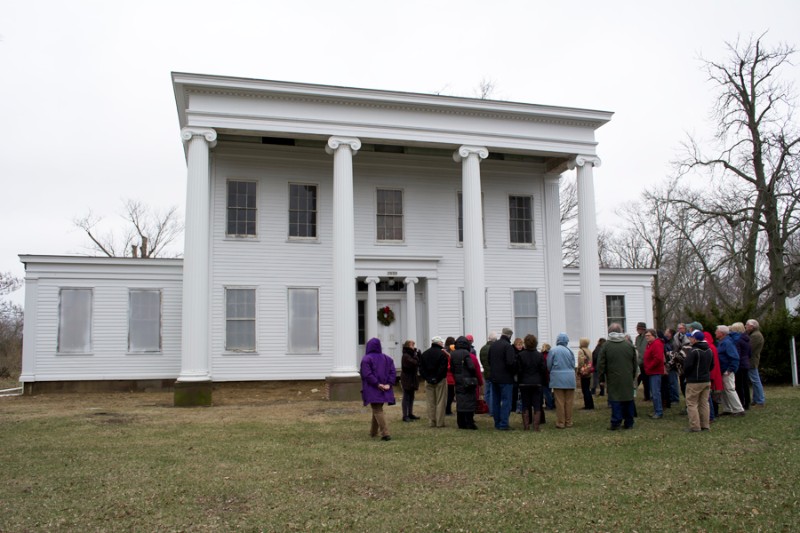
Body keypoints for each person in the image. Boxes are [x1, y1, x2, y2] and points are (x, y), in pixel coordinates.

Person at [597, 323, 638, 430]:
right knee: (628, 399)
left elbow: (601, 364)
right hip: (627, 376)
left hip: (613, 377)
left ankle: (616, 422)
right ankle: (629, 422)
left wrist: (601, 379)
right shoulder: (629, 345)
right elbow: (635, 363)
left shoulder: (606, 346)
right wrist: (633, 376)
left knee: (615, 400)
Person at [360, 337, 396, 441]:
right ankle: (373, 432)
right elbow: (392, 372)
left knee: (377, 409)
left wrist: (377, 384)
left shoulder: (366, 359)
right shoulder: (387, 358)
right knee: (377, 409)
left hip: (373, 388)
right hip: (384, 387)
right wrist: (388, 384)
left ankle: (385, 433)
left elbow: (367, 374)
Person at [684, 330, 714, 432]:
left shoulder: (694, 351)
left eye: (691, 337)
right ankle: (705, 425)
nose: (690, 339)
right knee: (704, 403)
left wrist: (687, 375)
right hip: (706, 380)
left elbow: (687, 366)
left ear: (695, 339)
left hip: (694, 381)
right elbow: (712, 365)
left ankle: (695, 426)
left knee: (691, 403)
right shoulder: (709, 350)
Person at [488, 327, 518, 430]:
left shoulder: (493, 345)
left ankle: (497, 423)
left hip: (494, 378)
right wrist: (514, 371)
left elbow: (489, 361)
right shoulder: (508, 347)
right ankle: (504, 424)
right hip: (506, 379)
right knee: (506, 402)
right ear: (509, 336)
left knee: (496, 401)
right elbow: (510, 363)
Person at [450, 336, 481, 429]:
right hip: (467, 380)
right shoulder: (466, 353)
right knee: (469, 401)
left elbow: (452, 368)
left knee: (460, 400)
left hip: (458, 379)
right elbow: (471, 367)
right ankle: (469, 423)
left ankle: (461, 423)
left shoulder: (453, 354)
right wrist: (473, 374)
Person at [547, 333, 577, 429]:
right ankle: (569, 421)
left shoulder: (553, 350)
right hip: (570, 378)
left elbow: (549, 365)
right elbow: (573, 364)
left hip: (557, 378)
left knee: (559, 402)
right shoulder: (570, 350)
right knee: (569, 402)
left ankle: (561, 422)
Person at [517, 334, 546, 431]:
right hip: (537, 382)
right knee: (537, 404)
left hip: (524, 382)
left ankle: (526, 426)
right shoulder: (539, 355)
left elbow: (519, 370)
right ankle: (536, 426)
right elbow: (543, 369)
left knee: (525, 404)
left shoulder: (520, 355)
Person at [715, 325, 745, 416]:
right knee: (724, 390)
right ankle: (727, 408)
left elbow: (734, 357)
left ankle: (738, 409)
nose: (715, 332)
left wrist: (730, 369)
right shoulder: (722, 342)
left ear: (722, 333)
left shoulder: (727, 343)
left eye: (717, 331)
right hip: (723, 369)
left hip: (727, 370)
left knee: (730, 389)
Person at [419, 336, 449, 428]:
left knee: (430, 402)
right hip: (440, 380)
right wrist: (436, 378)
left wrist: (428, 378)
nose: (443, 344)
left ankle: (432, 422)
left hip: (428, 380)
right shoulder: (442, 354)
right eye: (442, 343)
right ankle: (440, 422)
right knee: (440, 401)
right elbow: (442, 368)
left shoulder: (424, 354)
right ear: (439, 343)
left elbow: (421, 369)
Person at [729, 322, 752, 411]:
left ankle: (741, 402)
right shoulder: (747, 339)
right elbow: (749, 352)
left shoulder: (738, 340)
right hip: (745, 362)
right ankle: (747, 402)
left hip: (740, 364)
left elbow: (736, 353)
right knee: (745, 384)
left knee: (739, 384)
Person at [643, 328, 665, 419]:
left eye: (648, 335)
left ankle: (659, 411)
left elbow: (658, 358)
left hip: (655, 371)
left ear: (654, 335)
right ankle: (657, 410)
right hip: (651, 371)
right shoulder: (649, 344)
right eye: (646, 336)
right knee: (654, 392)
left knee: (656, 392)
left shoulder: (656, 344)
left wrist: (649, 366)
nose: (647, 337)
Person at [746, 319, 766, 406]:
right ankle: (756, 399)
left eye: (747, 325)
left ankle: (760, 400)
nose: (745, 326)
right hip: (752, 360)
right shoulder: (754, 335)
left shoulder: (756, 336)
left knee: (755, 380)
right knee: (754, 380)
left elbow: (749, 348)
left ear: (752, 326)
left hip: (752, 360)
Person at [400, 340, 420, 422]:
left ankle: (410, 413)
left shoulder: (411, 354)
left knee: (412, 396)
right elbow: (413, 363)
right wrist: (416, 356)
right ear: (408, 346)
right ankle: (405, 415)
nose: (413, 347)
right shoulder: (406, 355)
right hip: (407, 377)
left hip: (412, 377)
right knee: (406, 396)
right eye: (412, 345)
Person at [479, 332, 497, 415]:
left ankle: (488, 409)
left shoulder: (483, 348)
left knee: (487, 392)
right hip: (493, 373)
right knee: (493, 392)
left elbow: (482, 361)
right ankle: (492, 411)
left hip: (486, 372)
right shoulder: (494, 348)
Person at [577, 338, 595, 410]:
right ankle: (591, 404)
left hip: (584, 371)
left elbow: (581, 362)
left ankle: (587, 405)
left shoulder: (581, 351)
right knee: (588, 388)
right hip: (589, 371)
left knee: (585, 389)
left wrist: (579, 370)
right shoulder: (589, 350)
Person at [634, 322, 650, 401]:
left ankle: (648, 396)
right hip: (640, 362)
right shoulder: (637, 338)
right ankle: (646, 396)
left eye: (638, 328)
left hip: (646, 362)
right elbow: (637, 349)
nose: (637, 330)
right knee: (643, 379)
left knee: (647, 380)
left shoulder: (647, 337)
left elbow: (644, 351)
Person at [444, 336, 456, 416]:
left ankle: (446, 409)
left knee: (447, 394)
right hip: (450, 376)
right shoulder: (451, 351)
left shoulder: (444, 350)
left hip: (445, 376)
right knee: (450, 394)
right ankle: (447, 410)